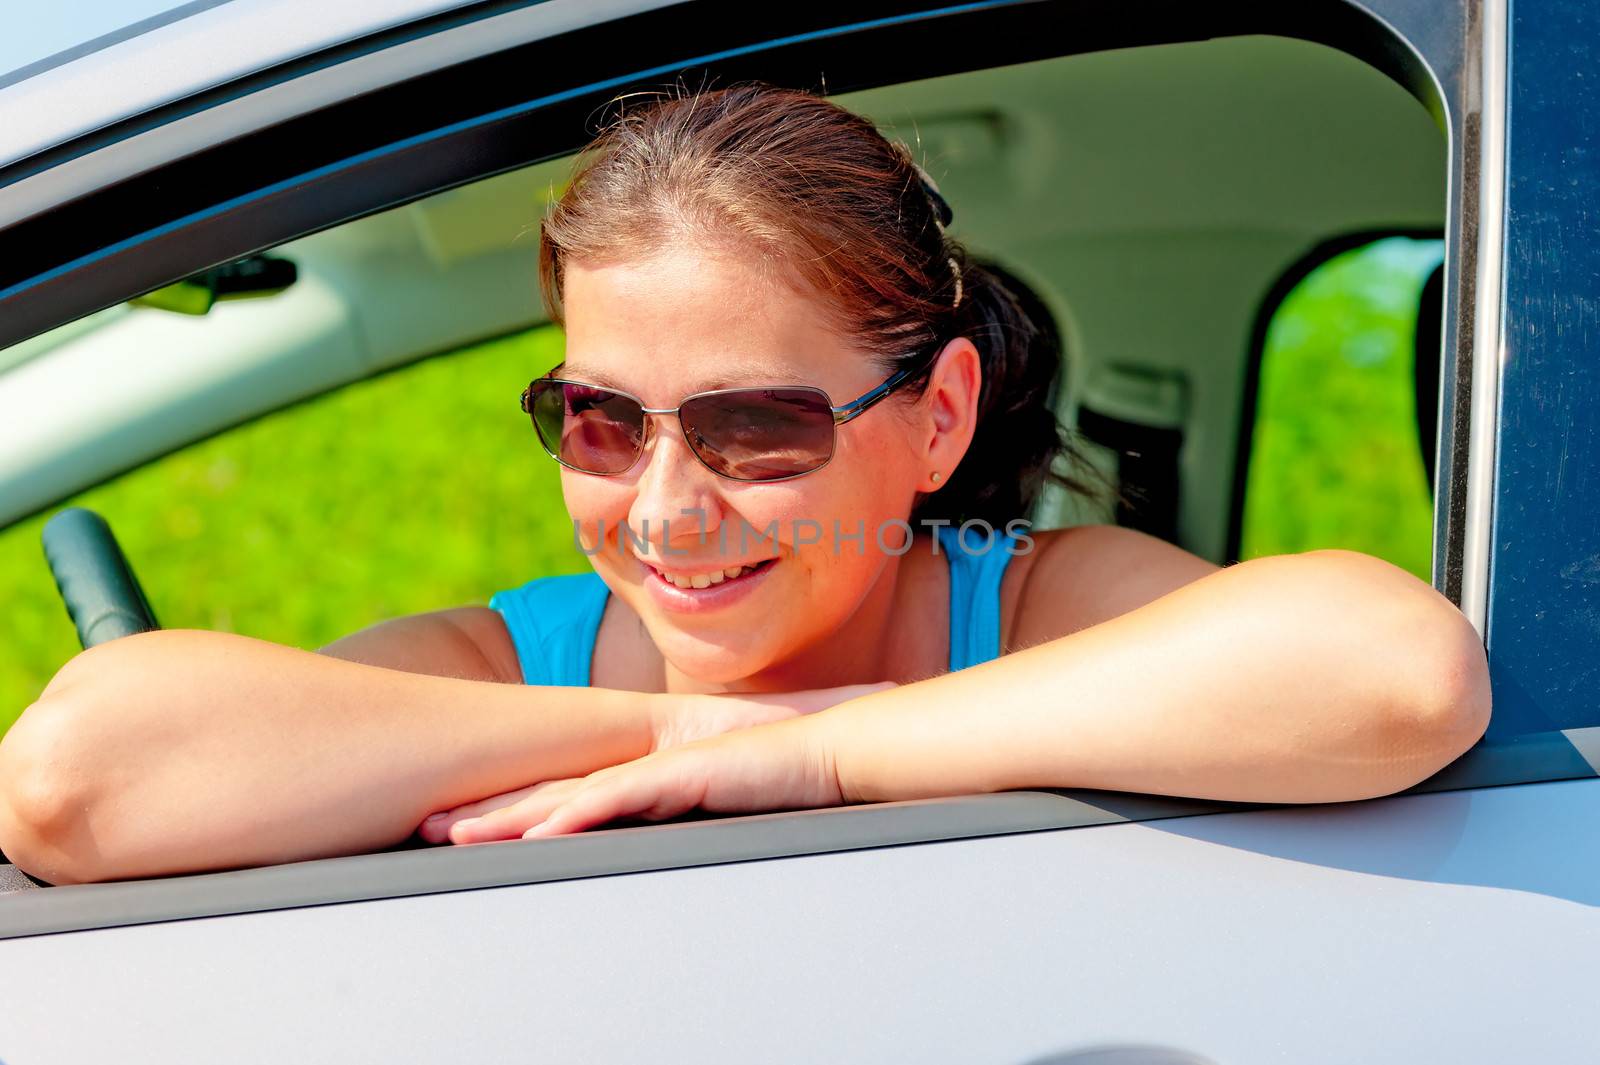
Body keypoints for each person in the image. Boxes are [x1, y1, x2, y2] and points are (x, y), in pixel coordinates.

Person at [0, 83, 1489, 885]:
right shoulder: (512, 665)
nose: (659, 513)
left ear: (937, 417)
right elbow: (75, 781)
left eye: (756, 426)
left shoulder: (1038, 607)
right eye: (596, 419)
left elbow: (1398, 674)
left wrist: (819, 755)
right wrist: (685, 729)